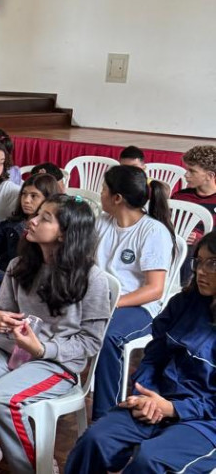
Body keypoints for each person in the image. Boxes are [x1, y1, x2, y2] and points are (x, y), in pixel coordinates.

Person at [0, 195, 109, 474]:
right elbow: (2, 311)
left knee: (1, 397)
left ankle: (33, 469)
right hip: (9, 350)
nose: (32, 220)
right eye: (37, 215)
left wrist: (43, 349)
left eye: (45, 218)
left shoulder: (92, 279)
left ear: (66, 234)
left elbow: (90, 341)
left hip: (55, 362)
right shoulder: (20, 265)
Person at [65, 232, 216, 474]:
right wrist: (146, 392)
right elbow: (154, 356)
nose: (200, 271)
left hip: (206, 421)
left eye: (213, 263)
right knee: (96, 440)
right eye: (198, 261)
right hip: (157, 400)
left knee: (149, 460)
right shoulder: (183, 303)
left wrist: (175, 409)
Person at [92, 165, 176, 420]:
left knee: (108, 336)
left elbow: (154, 289)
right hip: (103, 300)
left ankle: (105, 417)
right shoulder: (102, 223)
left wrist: (115, 303)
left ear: (117, 198)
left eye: (104, 190)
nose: (101, 195)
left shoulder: (153, 232)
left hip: (139, 308)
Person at [0, 174, 60, 358]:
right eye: (24, 194)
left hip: (23, 288)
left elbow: (35, 276)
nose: (26, 200)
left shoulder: (48, 233)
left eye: (34, 196)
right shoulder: (14, 224)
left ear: (48, 200)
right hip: (1, 281)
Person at [174, 145, 216, 247]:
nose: (186, 175)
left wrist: (202, 240)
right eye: (187, 170)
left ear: (210, 176)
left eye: (192, 171)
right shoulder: (180, 197)